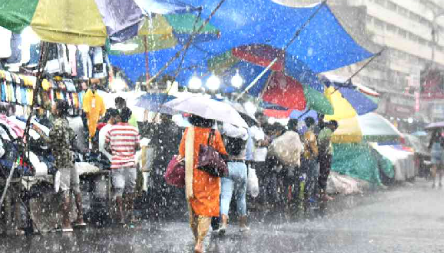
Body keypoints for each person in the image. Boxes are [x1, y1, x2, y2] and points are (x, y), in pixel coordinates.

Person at [33, 100, 86, 232]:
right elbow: (72, 137)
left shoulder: (56, 125)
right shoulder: (65, 122)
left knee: (65, 190)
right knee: (76, 187)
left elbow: (49, 142)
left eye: (54, 106)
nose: (52, 107)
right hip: (71, 157)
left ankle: (66, 222)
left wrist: (38, 130)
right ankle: (80, 218)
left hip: (63, 160)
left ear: (57, 110)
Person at [178, 115, 227, 253]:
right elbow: (222, 154)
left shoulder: (189, 131)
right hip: (209, 178)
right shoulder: (214, 133)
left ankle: (196, 239)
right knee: (206, 211)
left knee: (194, 211)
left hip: (192, 178)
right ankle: (199, 242)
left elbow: (181, 153)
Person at [105, 107, 141, 224]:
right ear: (129, 117)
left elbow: (106, 146)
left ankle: (120, 215)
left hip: (116, 164)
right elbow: (138, 147)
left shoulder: (111, 130)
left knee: (119, 190)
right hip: (130, 164)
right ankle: (130, 215)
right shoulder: (134, 131)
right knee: (130, 190)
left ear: (119, 116)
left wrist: (114, 152)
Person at [218, 122, 250, 235]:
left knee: (225, 197)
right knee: (241, 198)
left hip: (228, 166)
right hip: (242, 166)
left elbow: (220, 150)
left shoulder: (225, 134)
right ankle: (242, 225)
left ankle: (223, 224)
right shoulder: (244, 134)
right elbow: (249, 151)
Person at [149, 113, 183, 212]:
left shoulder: (159, 127)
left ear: (165, 116)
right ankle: (171, 201)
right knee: (170, 179)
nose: (160, 117)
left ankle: (159, 201)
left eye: (161, 115)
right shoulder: (176, 127)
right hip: (171, 157)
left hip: (161, 158)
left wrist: (152, 125)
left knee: (158, 180)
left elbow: (152, 141)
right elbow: (178, 143)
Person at [250, 112, 271, 207]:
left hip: (263, 159)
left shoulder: (260, 129)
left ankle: (261, 200)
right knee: (257, 181)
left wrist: (266, 139)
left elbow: (264, 140)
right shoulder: (252, 130)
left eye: (262, 119)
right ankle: (256, 200)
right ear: (255, 119)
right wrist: (266, 142)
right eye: (260, 118)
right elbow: (258, 143)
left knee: (262, 181)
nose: (261, 120)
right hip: (257, 159)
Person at [317, 120, 338, 201]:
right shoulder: (328, 131)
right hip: (326, 156)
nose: (334, 129)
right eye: (335, 127)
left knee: (322, 174)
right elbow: (325, 142)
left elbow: (321, 142)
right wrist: (325, 152)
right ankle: (323, 194)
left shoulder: (323, 130)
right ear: (332, 126)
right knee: (324, 174)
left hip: (323, 156)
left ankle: (320, 193)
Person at [302, 117, 319, 210]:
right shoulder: (310, 134)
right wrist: (315, 155)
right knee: (311, 177)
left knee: (309, 177)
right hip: (310, 158)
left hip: (307, 157)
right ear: (312, 124)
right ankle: (308, 197)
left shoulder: (306, 133)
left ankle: (307, 196)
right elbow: (311, 145)